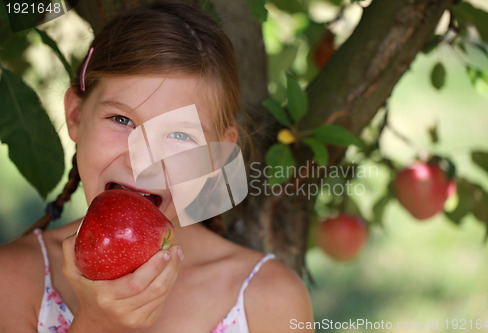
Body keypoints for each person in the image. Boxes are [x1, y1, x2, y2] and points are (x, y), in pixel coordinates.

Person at [0, 2, 314, 332]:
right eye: (122, 120)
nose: (144, 160)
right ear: (76, 117)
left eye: (180, 134)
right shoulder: (14, 280)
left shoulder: (269, 301)